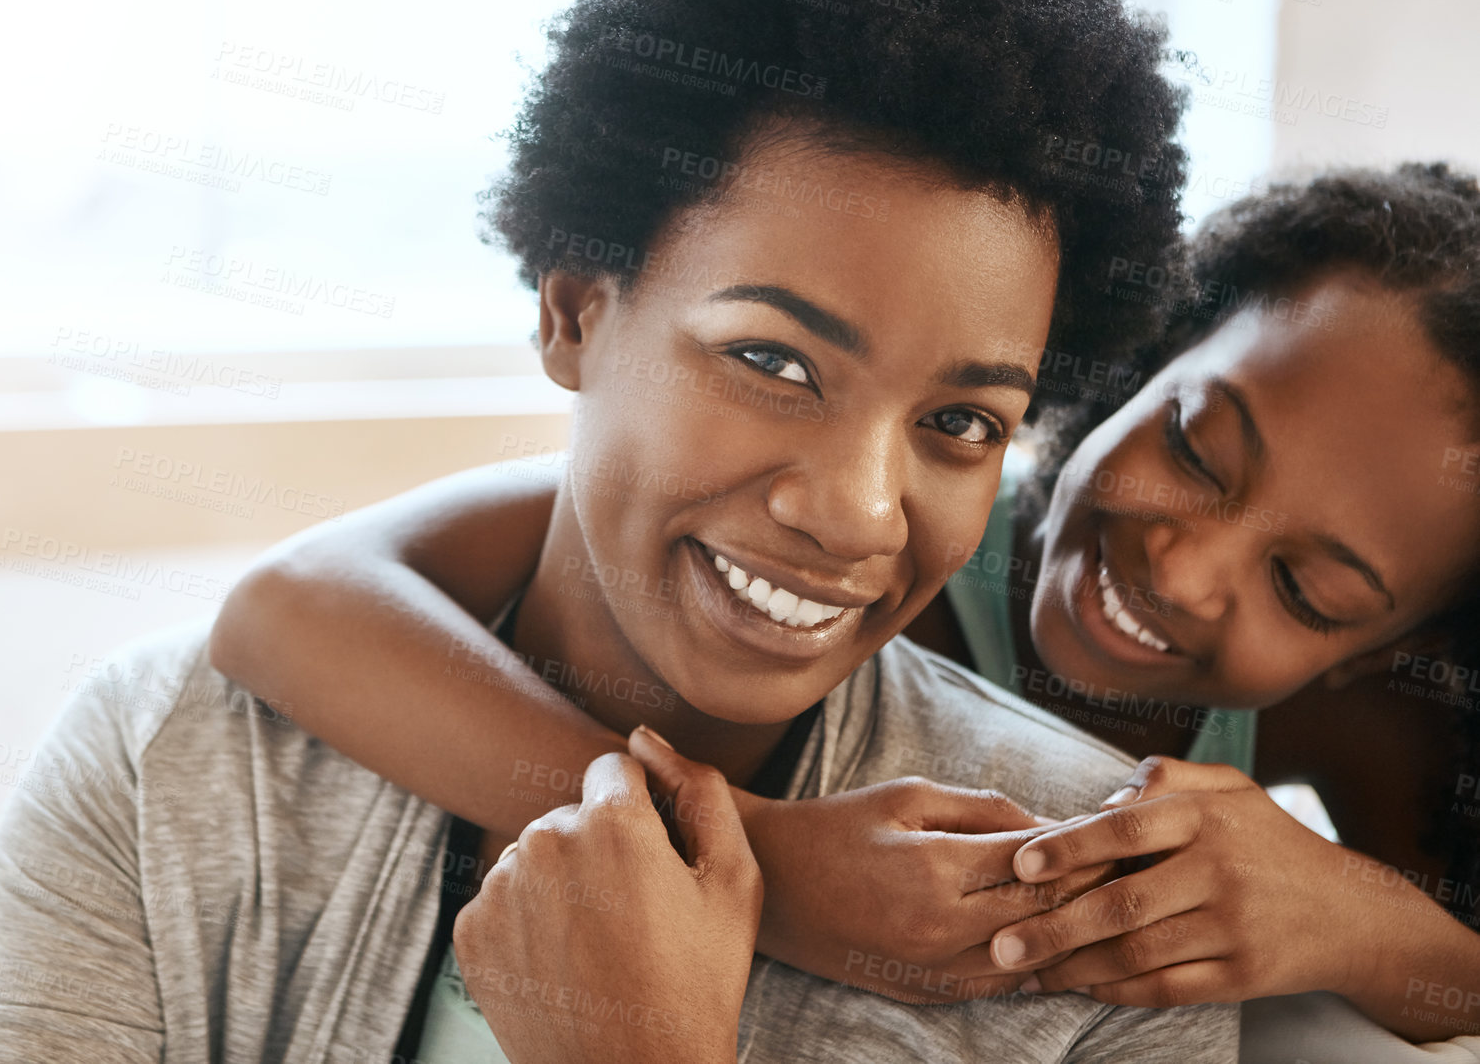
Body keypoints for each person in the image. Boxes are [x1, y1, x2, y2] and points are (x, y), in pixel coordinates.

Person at [0, 0, 1241, 1060]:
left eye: (958, 419)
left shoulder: (1082, 926)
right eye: (771, 359)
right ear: (572, 309)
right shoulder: (184, 762)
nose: (854, 507)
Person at [212, 163, 1480, 1047]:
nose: (1188, 565)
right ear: (1141, 351)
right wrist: (767, 854)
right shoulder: (853, 555)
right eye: (1197, 447)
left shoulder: (1352, 726)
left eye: (1305, 590)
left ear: (1385, 651)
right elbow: (289, 603)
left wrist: (1359, 925)